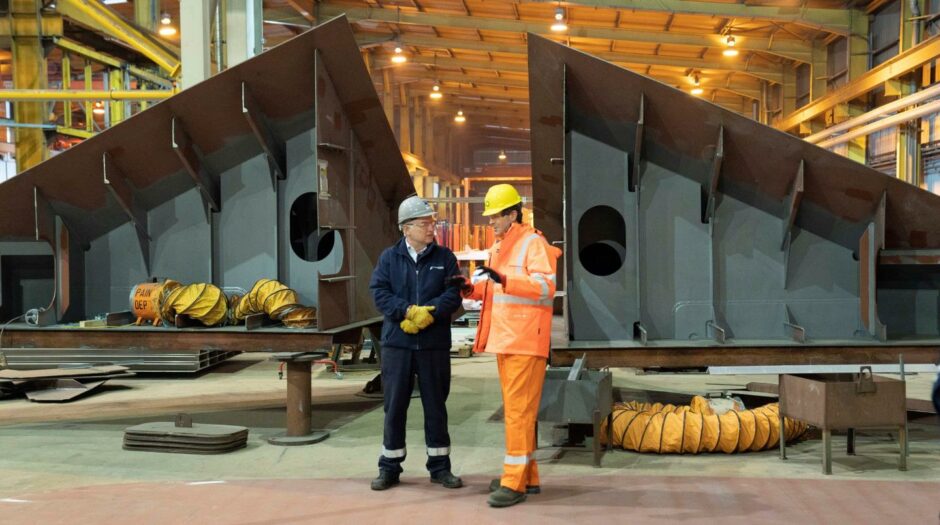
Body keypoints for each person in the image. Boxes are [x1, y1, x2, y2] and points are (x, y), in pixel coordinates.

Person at [449, 184, 562, 508]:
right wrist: (469, 288)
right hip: (508, 339)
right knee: (519, 413)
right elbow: (493, 287)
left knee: (517, 414)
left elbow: (545, 288)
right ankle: (527, 476)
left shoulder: (532, 243)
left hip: (524, 341)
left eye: (495, 216)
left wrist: (505, 280)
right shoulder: (501, 246)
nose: (490, 222)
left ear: (512, 214)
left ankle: (514, 483)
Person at [368, 195, 463, 491]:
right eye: (425, 223)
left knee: (436, 406)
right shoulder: (389, 258)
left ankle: (440, 468)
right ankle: (390, 467)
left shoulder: (445, 258)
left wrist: (429, 313)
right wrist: (406, 311)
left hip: (433, 345)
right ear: (406, 228)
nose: (431, 227)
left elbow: (454, 293)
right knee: (394, 406)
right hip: (398, 345)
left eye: (432, 222)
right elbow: (379, 292)